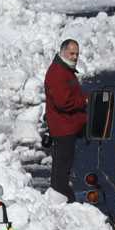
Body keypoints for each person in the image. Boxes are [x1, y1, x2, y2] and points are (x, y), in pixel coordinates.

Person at [42, 38, 86, 196]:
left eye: (77, 54)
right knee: (62, 167)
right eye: (72, 53)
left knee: (63, 166)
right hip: (63, 129)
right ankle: (60, 196)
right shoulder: (58, 73)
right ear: (63, 52)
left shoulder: (64, 69)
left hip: (66, 127)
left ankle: (60, 194)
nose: (75, 57)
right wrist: (83, 101)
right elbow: (63, 102)